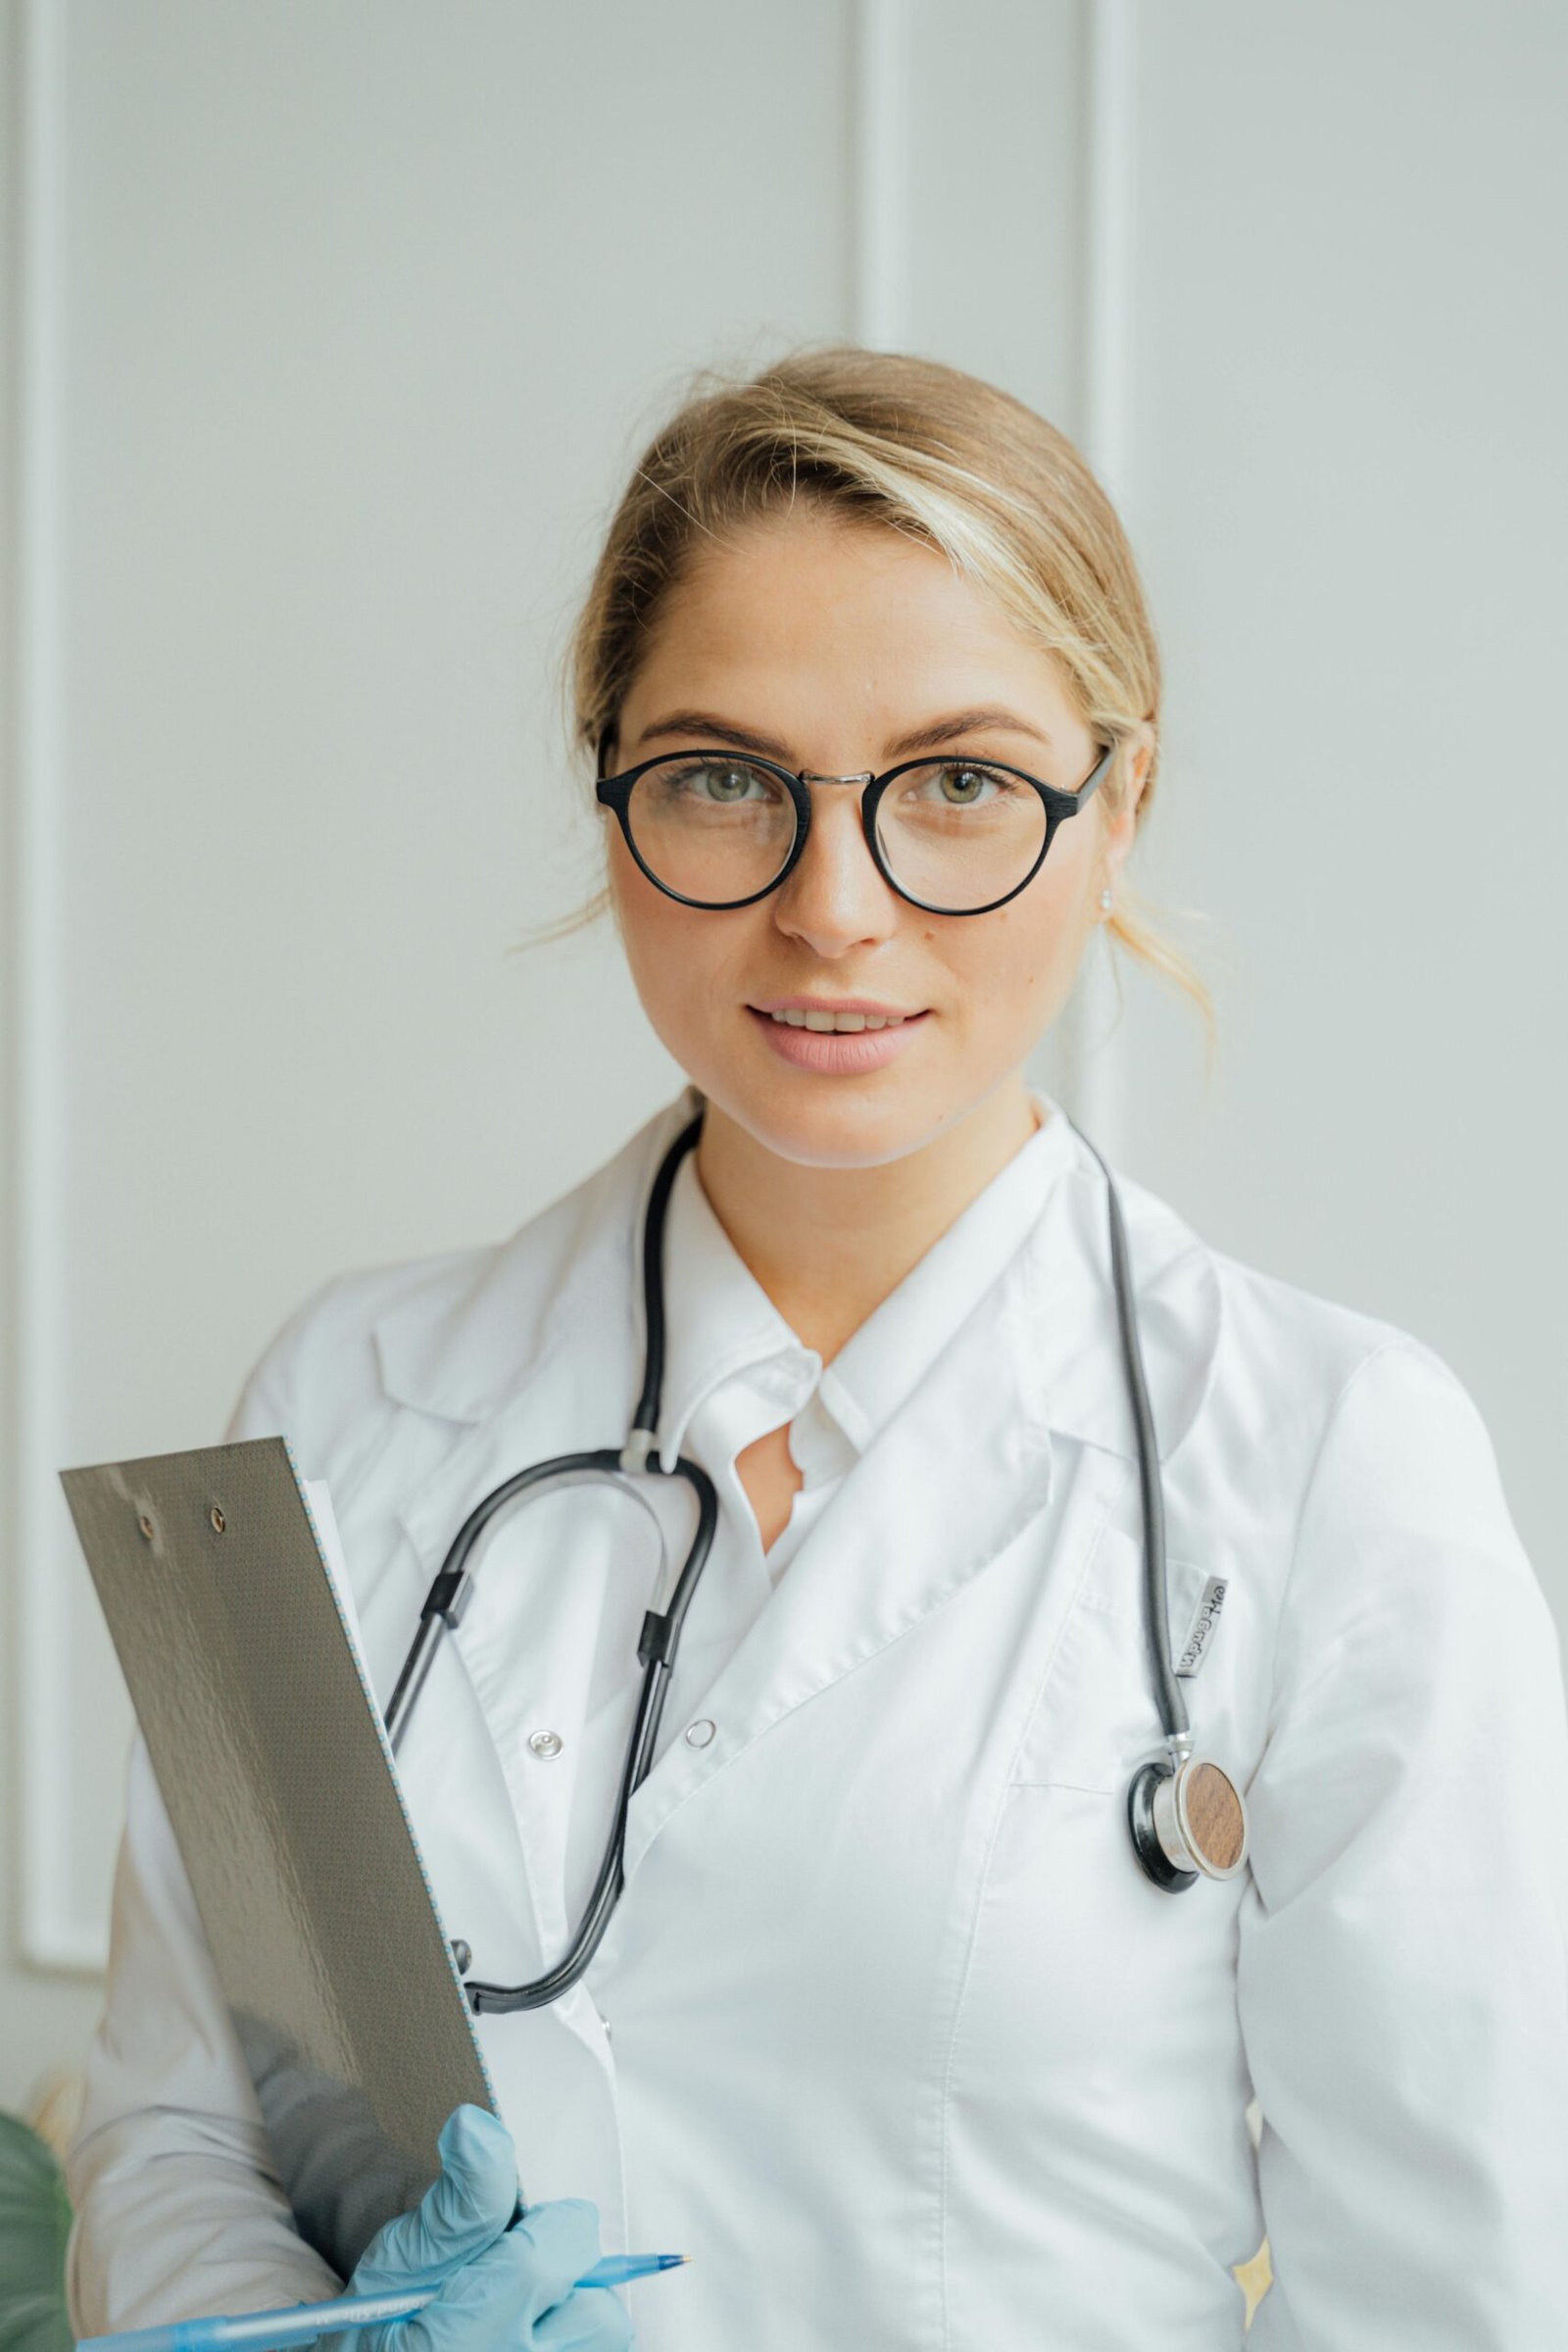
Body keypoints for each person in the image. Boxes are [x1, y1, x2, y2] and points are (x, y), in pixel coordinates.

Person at [66, 347, 1568, 2351]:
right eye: (720, 779)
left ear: (1115, 807)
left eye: (955, 784)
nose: (831, 909)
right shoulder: (346, 1400)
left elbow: (1445, 2304)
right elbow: (178, 2140)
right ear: (609, 795)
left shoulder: (1328, 1466)